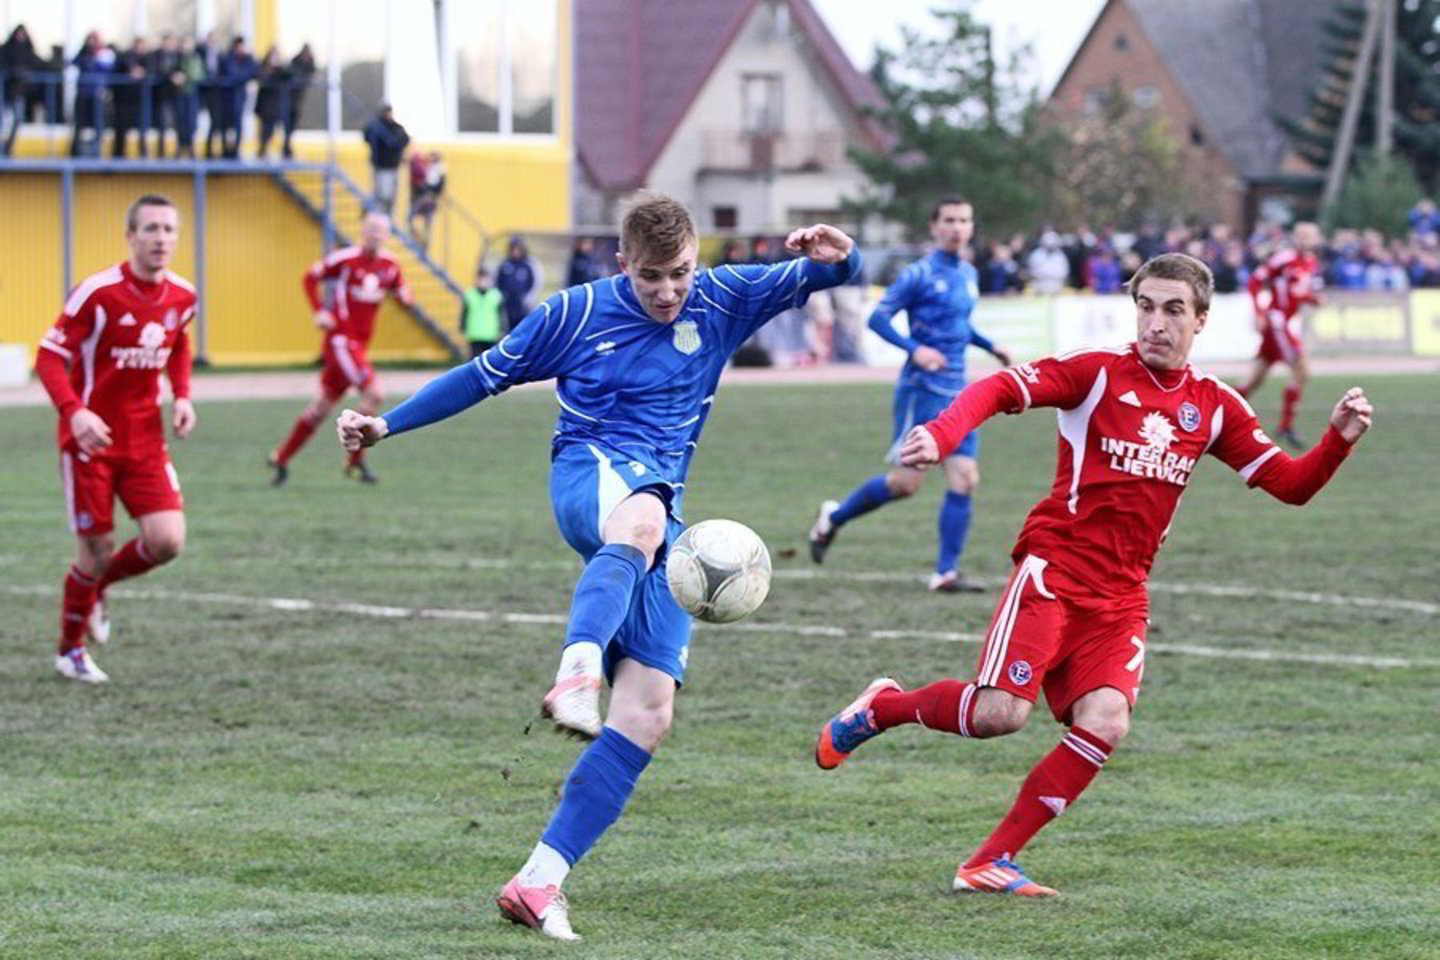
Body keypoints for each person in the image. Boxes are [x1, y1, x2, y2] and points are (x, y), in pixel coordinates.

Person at [336, 193, 860, 941]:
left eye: (680, 273)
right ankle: (576, 672)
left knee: (648, 711)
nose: (669, 292)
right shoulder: (574, 313)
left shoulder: (722, 296)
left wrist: (841, 254)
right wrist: (386, 423)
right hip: (588, 474)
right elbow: (482, 375)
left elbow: (825, 274)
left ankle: (539, 880)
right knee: (641, 520)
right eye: (651, 277)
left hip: (661, 515)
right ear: (623, 264)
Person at [815, 252, 1372, 897]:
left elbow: (1291, 485)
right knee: (999, 715)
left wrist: (1337, 441)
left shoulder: (1215, 406)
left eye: (1173, 310)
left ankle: (989, 862)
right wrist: (943, 434)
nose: (1156, 323)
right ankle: (884, 708)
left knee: (1106, 721)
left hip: (1122, 595)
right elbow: (999, 389)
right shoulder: (1096, 372)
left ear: (1201, 320)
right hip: (1053, 574)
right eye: (1146, 306)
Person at [33, 195, 199, 684]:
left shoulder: (183, 296)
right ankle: (70, 651)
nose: (161, 239)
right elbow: (48, 356)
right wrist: (74, 412)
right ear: (131, 236)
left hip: (146, 439)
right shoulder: (98, 293)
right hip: (91, 443)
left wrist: (183, 396)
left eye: (169, 229)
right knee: (95, 549)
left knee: (167, 541)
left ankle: (97, 588)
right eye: (151, 229)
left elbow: (179, 344)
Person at [809, 198, 1010, 592]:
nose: (957, 227)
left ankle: (945, 573)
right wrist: (914, 349)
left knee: (965, 478)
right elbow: (877, 318)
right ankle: (833, 517)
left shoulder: (968, 272)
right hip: (923, 391)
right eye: (949, 220)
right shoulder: (918, 274)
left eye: (964, 220)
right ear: (935, 226)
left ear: (972, 227)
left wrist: (990, 346)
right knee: (905, 484)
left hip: (960, 393)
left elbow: (959, 324)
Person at [267, 211, 413, 486]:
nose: (376, 234)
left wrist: (406, 298)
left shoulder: (390, 265)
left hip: (358, 346)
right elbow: (310, 277)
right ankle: (354, 462)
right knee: (374, 393)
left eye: (381, 230)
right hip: (341, 341)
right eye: (371, 228)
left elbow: (402, 291)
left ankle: (281, 458)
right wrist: (319, 311)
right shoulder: (345, 259)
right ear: (362, 231)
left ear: (387, 235)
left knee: (321, 408)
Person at [1237, 221, 1323, 449]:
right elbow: (1255, 281)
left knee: (1255, 379)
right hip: (1276, 321)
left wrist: (1312, 299)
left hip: (1283, 323)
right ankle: (1285, 426)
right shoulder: (1283, 259)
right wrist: (1258, 312)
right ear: (1294, 237)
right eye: (1301, 235)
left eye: (1309, 235)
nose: (1304, 239)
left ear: (1316, 239)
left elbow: (1297, 292)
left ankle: (1217, 412)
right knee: (1302, 368)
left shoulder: (1311, 262)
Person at [1, 24, 44, 155]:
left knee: (18, 119)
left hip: (18, 91)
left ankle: (8, 147)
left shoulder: (28, 51)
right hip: (4, 90)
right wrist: (12, 72)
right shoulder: (5, 50)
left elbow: (39, 63)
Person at [362, 103, 409, 214]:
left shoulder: (396, 128)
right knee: (383, 195)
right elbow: (367, 135)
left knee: (391, 197)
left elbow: (404, 140)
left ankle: (388, 218)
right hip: (381, 167)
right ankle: (381, 217)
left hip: (393, 167)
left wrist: (394, 142)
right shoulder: (376, 127)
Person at [495, 236, 540, 332]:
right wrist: (502, 297)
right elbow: (497, 282)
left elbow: (535, 283)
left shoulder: (529, 265)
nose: (515, 252)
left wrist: (528, 299)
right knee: (508, 330)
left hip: (523, 305)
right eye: (513, 249)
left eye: (518, 249)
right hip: (507, 305)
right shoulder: (504, 265)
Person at [459, 264, 503, 358]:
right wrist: (463, 327)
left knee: (490, 359)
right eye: (481, 279)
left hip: (491, 333)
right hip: (474, 333)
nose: (483, 282)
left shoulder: (496, 295)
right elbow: (464, 313)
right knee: (474, 359)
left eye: (485, 279)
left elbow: (500, 314)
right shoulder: (470, 295)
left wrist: (501, 328)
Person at [281, 44, 315, 159]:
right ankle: (286, 147)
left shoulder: (310, 64)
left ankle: (287, 146)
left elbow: (309, 78)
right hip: (289, 97)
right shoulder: (295, 61)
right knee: (287, 123)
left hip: (299, 99)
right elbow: (289, 73)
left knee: (293, 124)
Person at [253, 46, 286, 160]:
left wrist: (279, 65)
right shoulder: (262, 68)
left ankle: (264, 149)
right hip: (264, 105)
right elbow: (260, 79)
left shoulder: (280, 69)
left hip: (275, 105)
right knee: (264, 128)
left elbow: (287, 75)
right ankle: (262, 150)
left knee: (271, 129)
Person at [406, 150, 445, 250]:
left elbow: (435, 187)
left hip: (428, 199)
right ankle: (420, 240)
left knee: (425, 223)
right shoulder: (426, 168)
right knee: (414, 220)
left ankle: (424, 243)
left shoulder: (438, 170)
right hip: (426, 199)